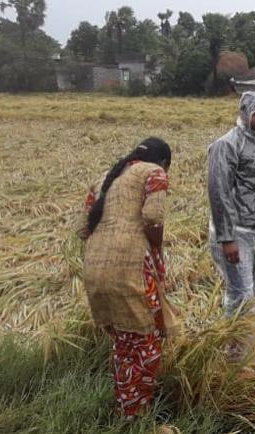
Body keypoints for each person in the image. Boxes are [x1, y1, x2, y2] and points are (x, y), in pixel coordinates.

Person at [80, 137, 176, 419]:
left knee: (123, 346)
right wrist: (156, 248)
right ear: (164, 163)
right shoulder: (153, 173)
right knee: (147, 346)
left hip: (96, 272)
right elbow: (153, 217)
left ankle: (125, 410)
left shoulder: (103, 181)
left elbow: (83, 230)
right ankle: (139, 414)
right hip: (131, 270)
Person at [207, 92, 255, 319]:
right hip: (237, 235)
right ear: (244, 114)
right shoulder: (227, 146)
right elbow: (218, 192)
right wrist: (227, 237)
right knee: (241, 295)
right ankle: (233, 350)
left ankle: (248, 347)